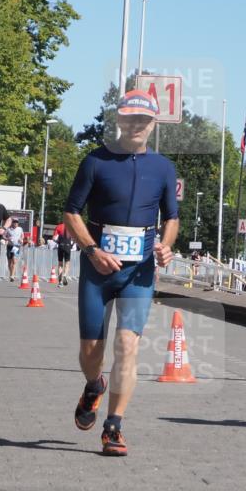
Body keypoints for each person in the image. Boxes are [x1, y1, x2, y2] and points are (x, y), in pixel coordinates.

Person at [62, 89, 179, 456]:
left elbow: (172, 217)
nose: (136, 126)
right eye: (130, 119)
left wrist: (166, 245)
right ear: (119, 121)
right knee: (91, 351)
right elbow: (70, 212)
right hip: (98, 272)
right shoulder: (95, 162)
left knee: (128, 345)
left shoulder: (162, 168)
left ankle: (114, 426)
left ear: (153, 124)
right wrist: (91, 249)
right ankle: (94, 385)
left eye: (143, 120)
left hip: (138, 273)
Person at [51, 221, 74, 286]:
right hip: (68, 246)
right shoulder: (71, 227)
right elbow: (75, 238)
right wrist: (72, 245)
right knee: (67, 263)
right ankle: (65, 275)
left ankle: (60, 282)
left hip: (60, 246)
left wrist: (58, 242)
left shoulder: (58, 226)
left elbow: (53, 238)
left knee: (60, 264)